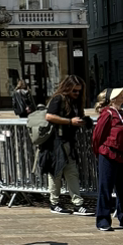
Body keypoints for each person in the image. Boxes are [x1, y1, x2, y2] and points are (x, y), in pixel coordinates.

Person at [41, 75, 93, 215]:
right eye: (74, 90)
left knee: (72, 172)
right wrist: (70, 122)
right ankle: (54, 203)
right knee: (56, 173)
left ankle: (77, 204)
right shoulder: (58, 99)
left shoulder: (75, 102)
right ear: (67, 88)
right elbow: (49, 116)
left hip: (68, 142)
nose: (77, 93)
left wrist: (84, 121)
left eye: (79, 91)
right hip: (56, 142)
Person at [91, 87, 123, 232]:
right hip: (108, 154)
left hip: (122, 156)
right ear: (112, 99)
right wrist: (100, 153)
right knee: (105, 188)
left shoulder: (121, 113)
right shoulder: (107, 114)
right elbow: (97, 137)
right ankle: (103, 220)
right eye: (119, 95)